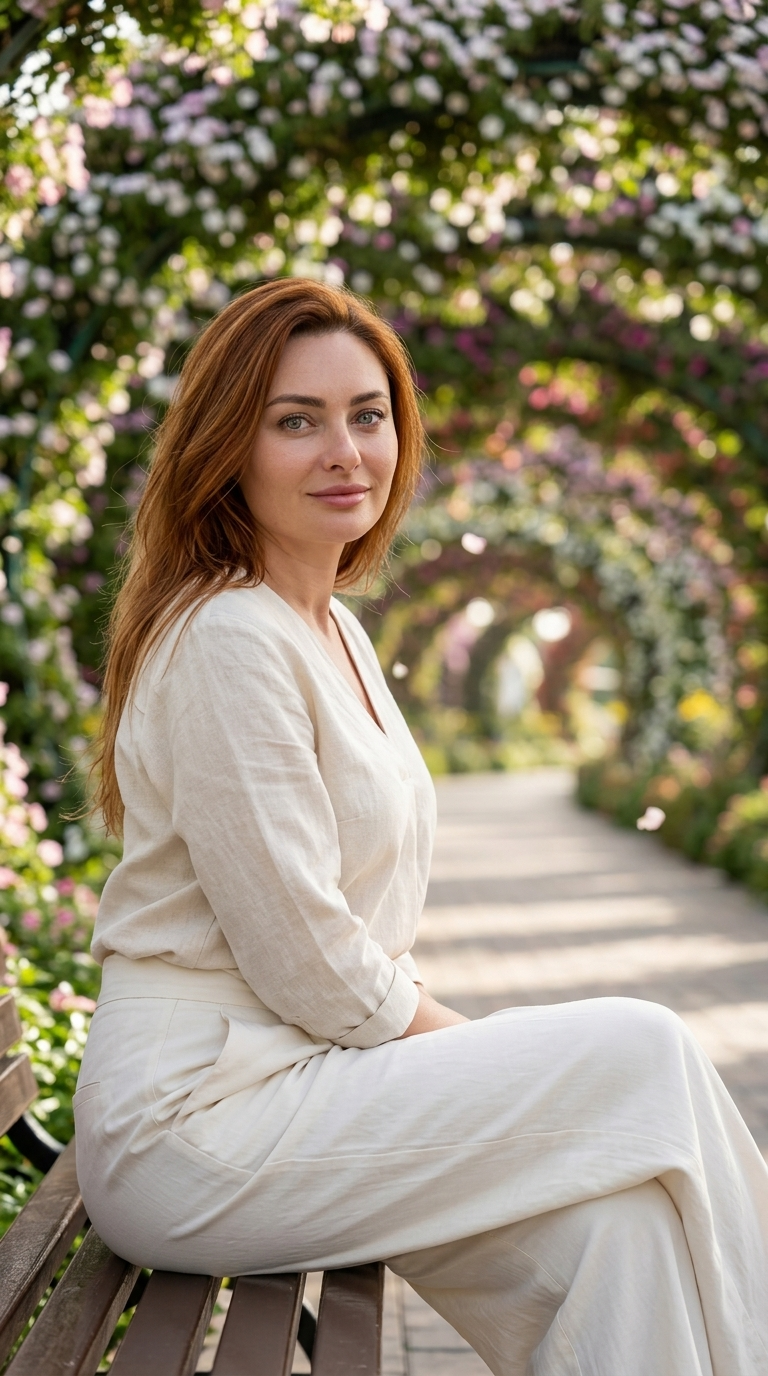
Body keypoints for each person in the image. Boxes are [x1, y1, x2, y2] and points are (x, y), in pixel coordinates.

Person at [75, 278, 768, 1376]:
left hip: (307, 1089)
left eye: (368, 413)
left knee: (620, 1232)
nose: (345, 449)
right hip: (199, 1123)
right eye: (295, 420)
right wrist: (492, 1052)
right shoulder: (228, 637)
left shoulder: (332, 625)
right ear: (229, 446)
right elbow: (307, 957)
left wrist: (493, 1060)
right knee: (649, 1049)